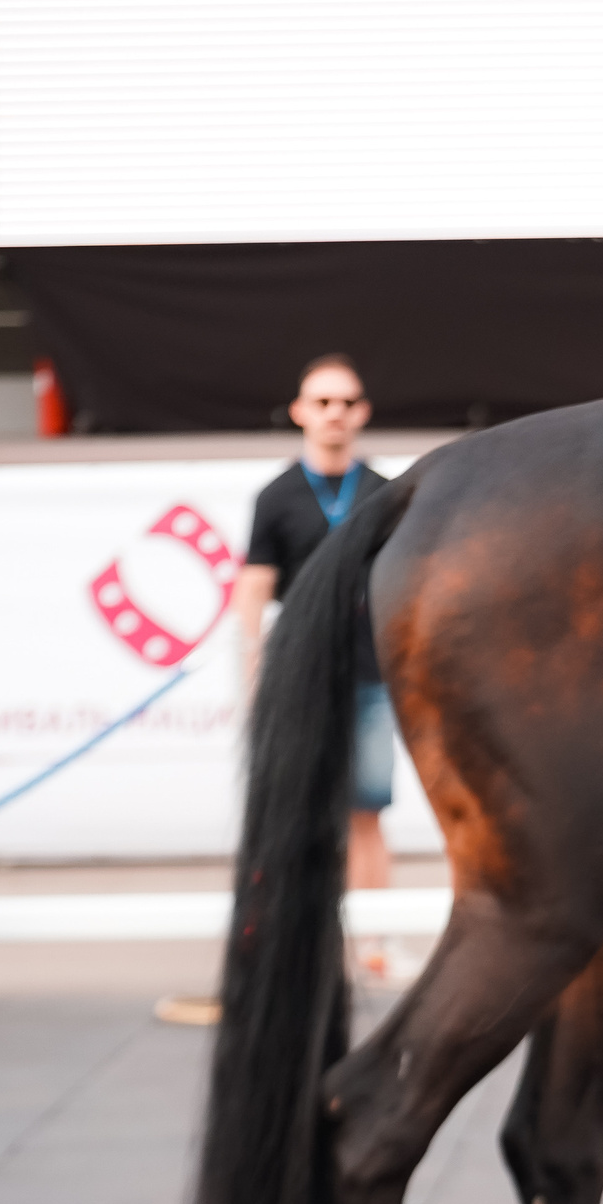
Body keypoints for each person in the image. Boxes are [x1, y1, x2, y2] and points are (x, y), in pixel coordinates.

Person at [235, 354, 398, 976]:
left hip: (368, 679)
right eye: (323, 402)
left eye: (346, 402)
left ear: (362, 413)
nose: (335, 413)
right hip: (298, 681)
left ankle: (375, 946)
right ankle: (288, 944)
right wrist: (252, 675)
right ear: (301, 411)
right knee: (294, 813)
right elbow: (253, 590)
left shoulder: (383, 493)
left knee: (367, 814)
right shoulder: (275, 498)